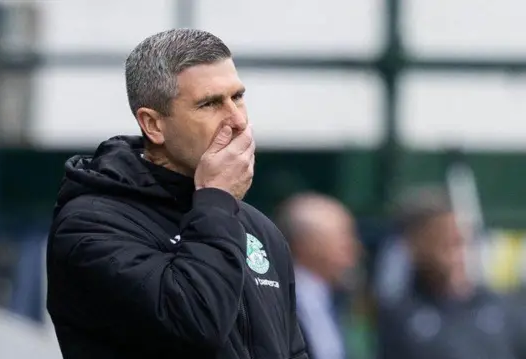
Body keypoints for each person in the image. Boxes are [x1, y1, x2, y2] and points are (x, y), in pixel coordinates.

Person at [46, 28, 308, 359]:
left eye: (238, 97)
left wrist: (218, 205)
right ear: (153, 125)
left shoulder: (256, 228)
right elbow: (197, 323)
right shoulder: (91, 227)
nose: (238, 120)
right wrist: (215, 199)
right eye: (210, 103)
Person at [377, 185, 525, 359]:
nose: (457, 255)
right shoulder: (399, 316)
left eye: (461, 242)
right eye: (445, 244)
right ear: (414, 245)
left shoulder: (505, 309)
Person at [276, 193, 360, 359]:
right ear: (306, 245)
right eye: (344, 239)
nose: (355, 248)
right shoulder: (276, 299)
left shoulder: (336, 299)